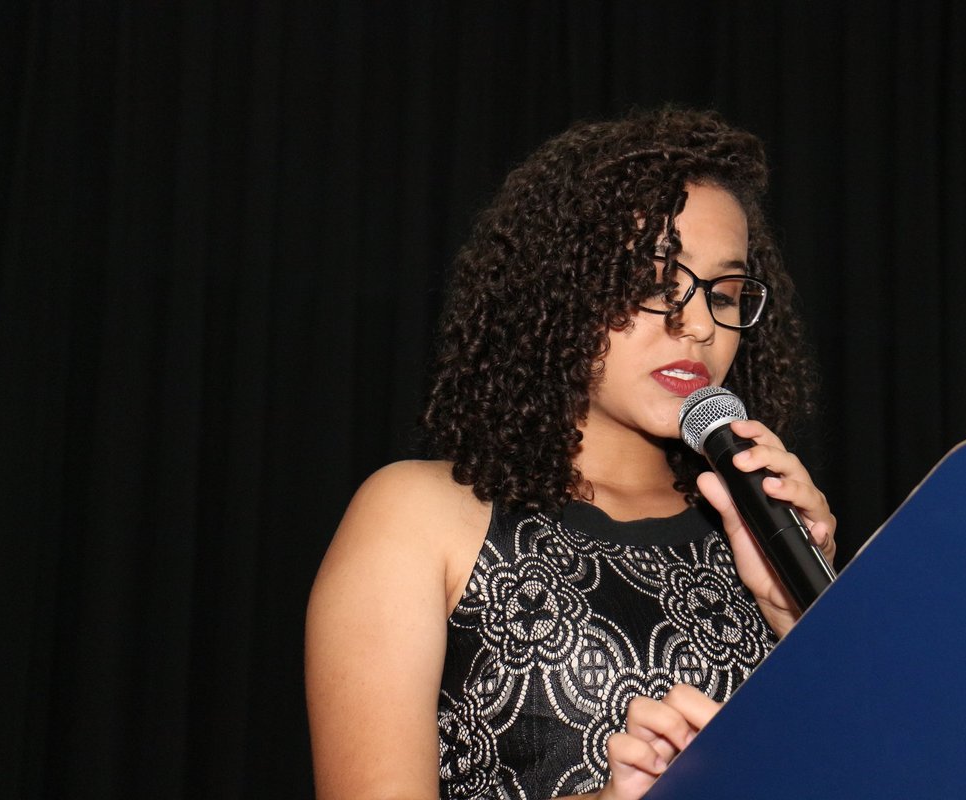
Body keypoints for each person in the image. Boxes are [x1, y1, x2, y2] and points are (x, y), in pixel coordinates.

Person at [305, 108, 836, 800]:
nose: (699, 325)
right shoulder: (418, 515)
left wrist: (802, 617)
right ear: (560, 284)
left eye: (727, 294)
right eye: (653, 284)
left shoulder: (758, 533)